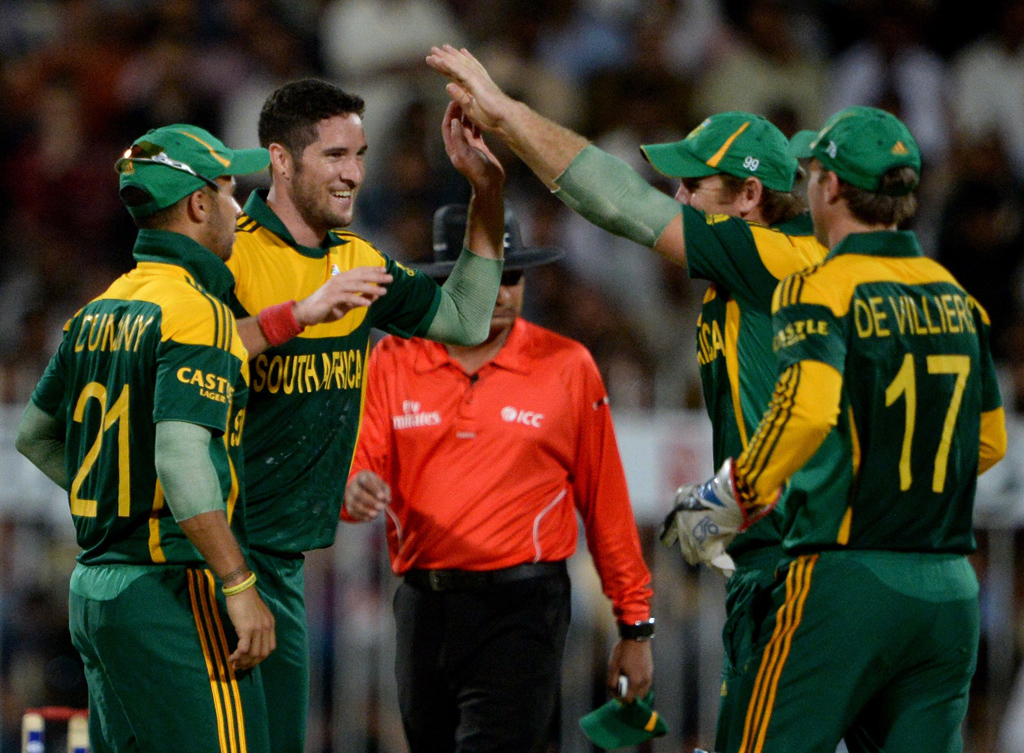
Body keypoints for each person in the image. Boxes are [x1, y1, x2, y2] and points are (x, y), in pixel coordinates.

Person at [425, 46, 848, 753]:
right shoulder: (763, 280)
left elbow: (618, 201)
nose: (678, 197)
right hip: (794, 554)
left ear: (749, 198)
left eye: (695, 185)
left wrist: (506, 115)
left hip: (803, 565)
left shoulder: (772, 256)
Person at [665, 106, 1008, 753]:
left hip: (844, 579)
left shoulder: (818, 286)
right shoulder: (958, 299)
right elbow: (988, 441)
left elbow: (808, 412)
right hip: (948, 589)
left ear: (827, 186)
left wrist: (725, 500)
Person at [225, 78, 506, 752]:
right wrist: (296, 315)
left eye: (360, 154)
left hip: (282, 563)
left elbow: (467, 320)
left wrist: (486, 193)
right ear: (282, 162)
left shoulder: (360, 261)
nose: (354, 172)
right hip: (209, 557)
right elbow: (176, 359)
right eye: (333, 155)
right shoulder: (229, 252)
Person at [343, 204, 654, 753]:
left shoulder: (567, 365)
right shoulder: (393, 357)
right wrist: (354, 488)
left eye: (513, 277)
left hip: (524, 606)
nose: (504, 292)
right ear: (446, 283)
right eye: (487, 277)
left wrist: (635, 627)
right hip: (424, 605)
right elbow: (358, 467)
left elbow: (606, 503)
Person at [15, 124, 277, 753]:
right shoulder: (198, 311)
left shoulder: (97, 310)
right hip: (171, 588)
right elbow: (184, 459)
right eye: (229, 191)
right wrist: (238, 586)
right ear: (197, 204)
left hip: (96, 592)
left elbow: (35, 435)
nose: (239, 210)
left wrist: (116, 500)